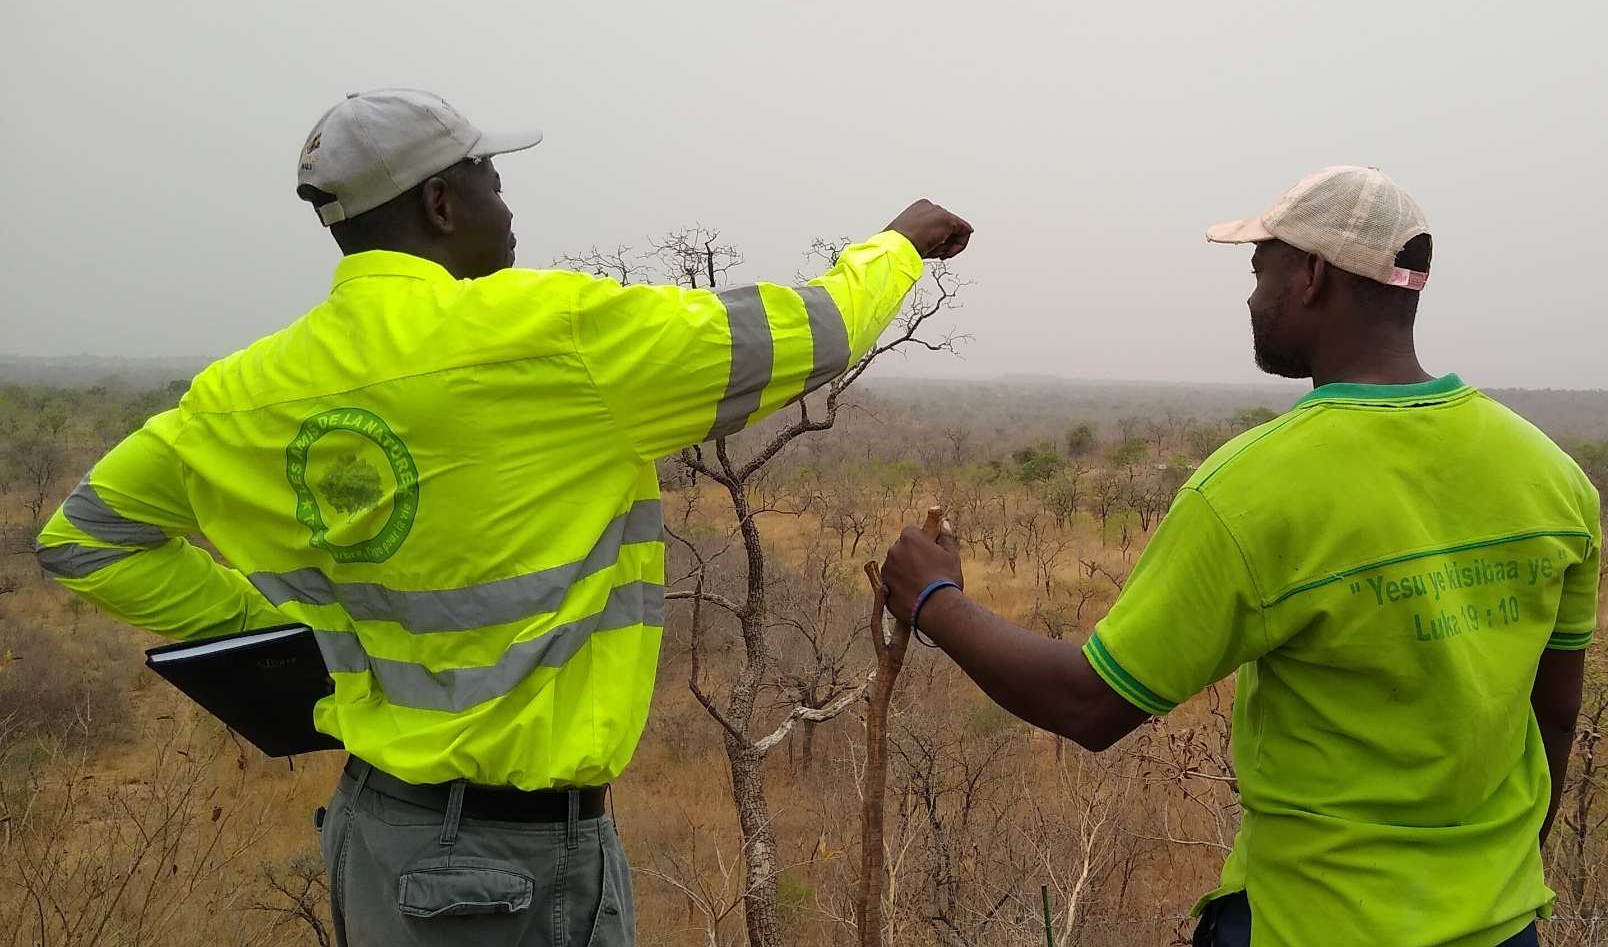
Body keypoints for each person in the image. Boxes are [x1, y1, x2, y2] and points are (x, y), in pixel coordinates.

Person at [34, 88, 973, 946]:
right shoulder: (549, 337)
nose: (507, 202)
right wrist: (898, 243)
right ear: (441, 204)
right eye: (490, 176)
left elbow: (82, 538)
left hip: (372, 836)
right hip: (513, 871)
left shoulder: (237, 396)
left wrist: (279, 630)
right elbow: (815, 331)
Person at [878, 165, 1598, 947]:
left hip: (1309, 923)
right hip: (1504, 922)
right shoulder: (1553, 476)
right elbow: (1555, 712)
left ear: (1313, 275)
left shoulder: (1253, 489)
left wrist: (935, 601)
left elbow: (1090, 704)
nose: (1252, 296)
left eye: (1261, 270)